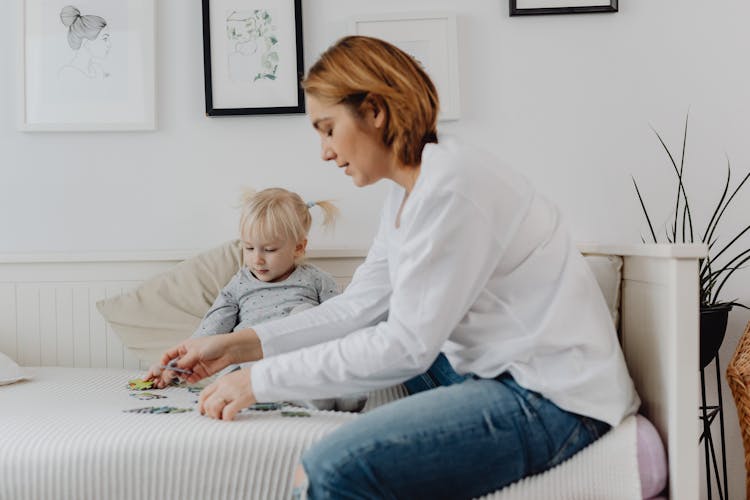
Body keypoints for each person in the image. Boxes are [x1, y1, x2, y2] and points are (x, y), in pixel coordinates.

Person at [154, 36, 640, 499]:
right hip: (497, 376)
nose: (324, 151)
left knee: (331, 467)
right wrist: (235, 347)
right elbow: (357, 309)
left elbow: (406, 346)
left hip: (554, 398)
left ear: (374, 111)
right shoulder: (407, 194)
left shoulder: (452, 186)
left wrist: (258, 381)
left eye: (327, 128)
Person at [146, 188, 364, 411]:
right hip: (251, 360)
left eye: (269, 249)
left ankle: (324, 389)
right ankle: (307, 395)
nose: (257, 259)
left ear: (298, 248)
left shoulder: (317, 279)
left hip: (300, 359)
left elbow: (339, 324)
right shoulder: (239, 284)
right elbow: (209, 331)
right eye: (248, 248)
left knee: (306, 315)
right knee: (242, 348)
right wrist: (172, 367)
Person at [58, 6, 111, 79]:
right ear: (86, 42)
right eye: (104, 39)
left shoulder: (97, 69)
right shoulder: (68, 74)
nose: (109, 44)